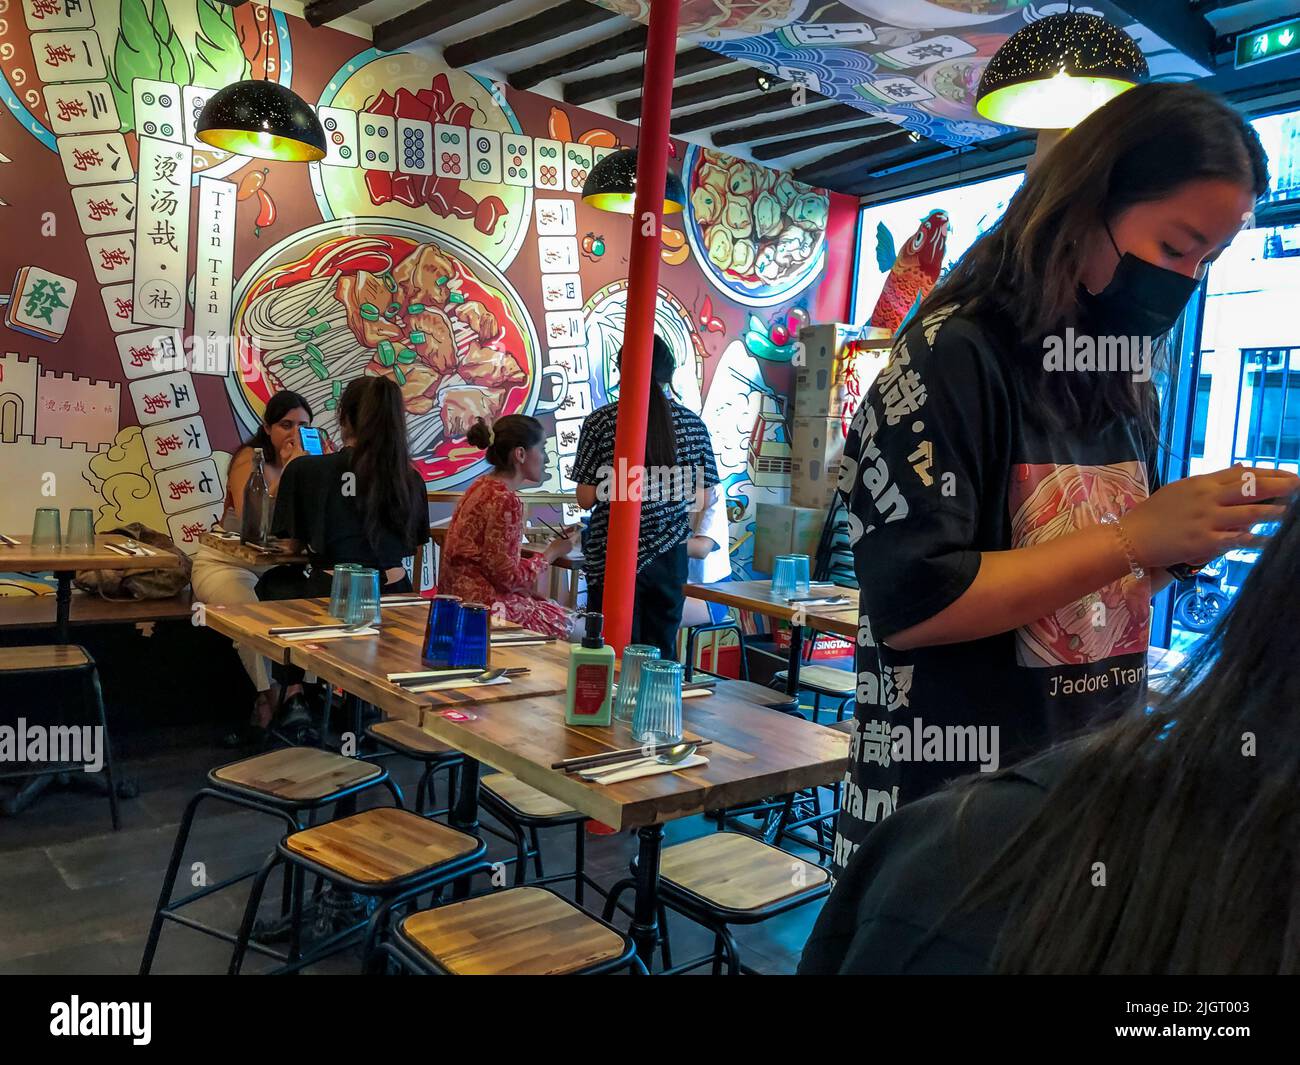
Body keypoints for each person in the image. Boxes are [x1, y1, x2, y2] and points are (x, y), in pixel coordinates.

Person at [831, 82, 1300, 880]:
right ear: (1089, 203)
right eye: (1177, 247)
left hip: (1079, 793)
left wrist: (1181, 541)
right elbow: (914, 603)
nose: (1187, 281)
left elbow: (1102, 584)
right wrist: (1134, 536)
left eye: (1208, 261)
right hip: (945, 813)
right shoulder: (953, 355)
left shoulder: (1123, 376)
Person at [800, 496, 1299, 974]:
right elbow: (911, 608)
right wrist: (1134, 538)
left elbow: (1107, 601)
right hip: (1003, 810)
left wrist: (1162, 552)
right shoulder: (959, 859)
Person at [257, 375, 430, 731]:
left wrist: (292, 467)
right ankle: (362, 705)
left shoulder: (307, 469)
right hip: (399, 602)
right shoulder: (410, 478)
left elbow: (289, 541)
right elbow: (410, 546)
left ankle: (293, 694)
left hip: (335, 600)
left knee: (276, 587)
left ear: (345, 419)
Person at [572, 333, 720, 658]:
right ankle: (656, 709)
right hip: (670, 557)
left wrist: (620, 485)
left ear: (621, 370)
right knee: (661, 652)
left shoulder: (600, 422)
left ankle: (611, 709)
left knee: (611, 651)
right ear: (669, 373)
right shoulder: (693, 425)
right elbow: (704, 497)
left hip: (612, 553)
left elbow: (584, 498)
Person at [190, 390, 315, 743]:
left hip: (279, 569)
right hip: (225, 564)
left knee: (313, 604)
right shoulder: (250, 457)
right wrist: (290, 470)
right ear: (267, 427)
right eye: (285, 424)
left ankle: (296, 696)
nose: (293, 433)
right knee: (248, 614)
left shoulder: (311, 465)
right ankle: (270, 699)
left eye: (303, 426)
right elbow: (250, 516)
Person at [439, 414, 579, 637]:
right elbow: (508, 580)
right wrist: (552, 553)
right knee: (580, 629)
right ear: (520, 454)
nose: (546, 458)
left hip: (457, 604)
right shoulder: (506, 500)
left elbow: (496, 567)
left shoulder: (481, 486)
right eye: (541, 448)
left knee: (557, 610)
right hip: (486, 611)